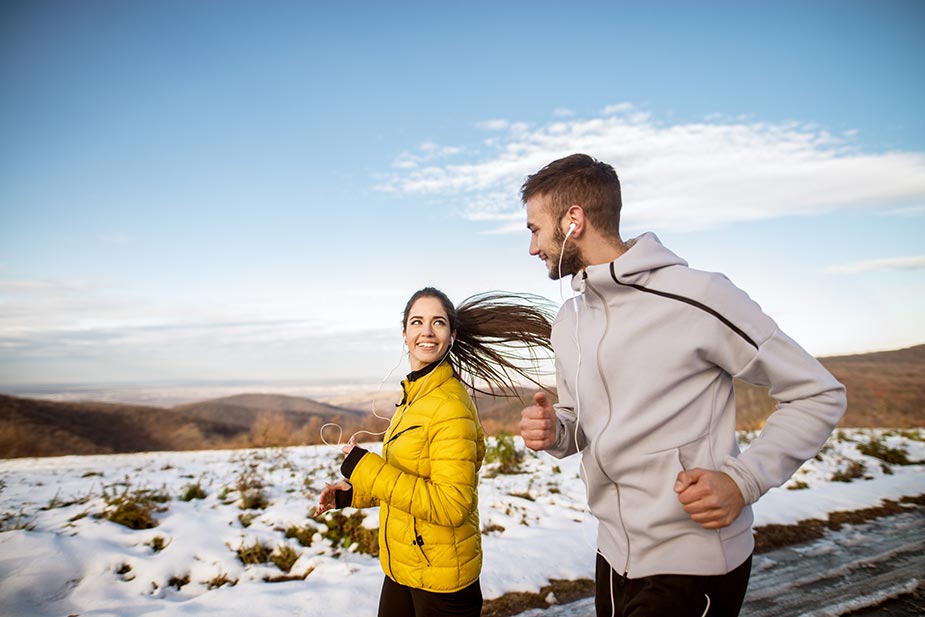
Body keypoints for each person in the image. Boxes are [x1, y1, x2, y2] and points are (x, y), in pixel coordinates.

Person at [518, 154, 847, 617]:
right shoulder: (569, 319)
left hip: (694, 561)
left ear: (574, 220)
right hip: (612, 558)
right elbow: (581, 424)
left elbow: (818, 392)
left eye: (534, 229)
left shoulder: (697, 296)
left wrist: (743, 480)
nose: (533, 248)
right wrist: (556, 430)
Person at [315, 287, 553, 617]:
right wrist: (351, 494)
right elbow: (408, 480)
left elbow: (451, 505)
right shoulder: (413, 398)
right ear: (404, 334)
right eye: (417, 322)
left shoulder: (449, 406)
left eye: (437, 323)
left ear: (452, 335)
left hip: (442, 579)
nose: (426, 331)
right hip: (404, 567)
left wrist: (365, 467)